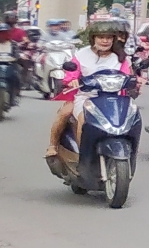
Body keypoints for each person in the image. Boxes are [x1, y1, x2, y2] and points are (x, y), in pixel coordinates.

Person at [47, 19, 136, 166]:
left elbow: (128, 77)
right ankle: (77, 152)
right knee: (80, 118)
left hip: (115, 99)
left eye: (109, 37)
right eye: (101, 37)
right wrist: (72, 80)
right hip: (86, 97)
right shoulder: (82, 55)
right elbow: (71, 73)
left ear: (114, 39)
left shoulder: (121, 58)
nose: (105, 41)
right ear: (93, 38)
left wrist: (135, 82)